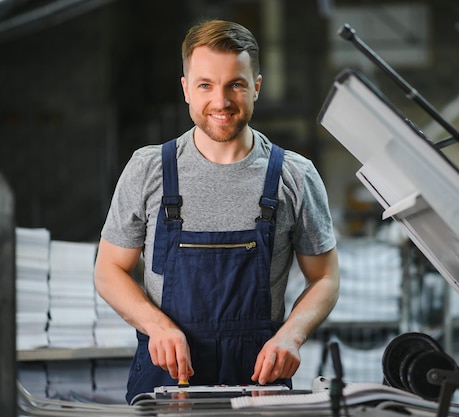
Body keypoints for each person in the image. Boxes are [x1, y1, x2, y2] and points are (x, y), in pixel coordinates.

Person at [93, 18, 339, 404]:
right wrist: (157, 327)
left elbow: (324, 278)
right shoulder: (148, 169)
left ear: (256, 87)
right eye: (205, 85)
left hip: (259, 380)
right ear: (186, 89)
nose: (221, 102)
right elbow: (108, 271)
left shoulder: (295, 175)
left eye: (235, 85)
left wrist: (292, 335)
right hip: (166, 377)